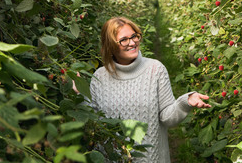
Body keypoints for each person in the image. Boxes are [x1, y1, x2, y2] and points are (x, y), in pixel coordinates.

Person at [89, 16, 211, 163]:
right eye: (124, 40)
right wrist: (76, 92)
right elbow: (92, 121)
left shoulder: (155, 70)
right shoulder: (99, 77)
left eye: (134, 36)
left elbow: (167, 117)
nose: (132, 42)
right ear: (110, 45)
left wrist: (185, 102)